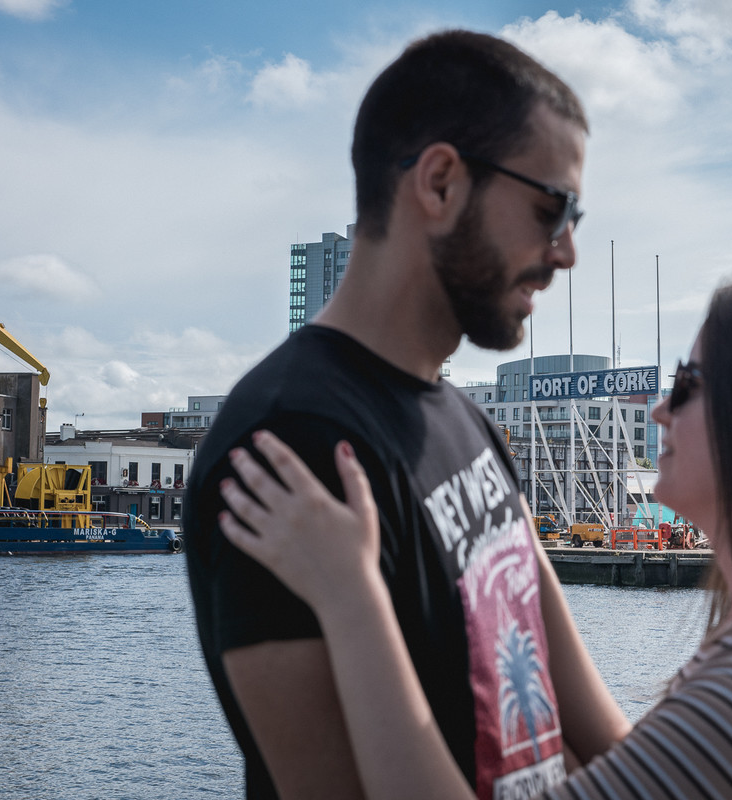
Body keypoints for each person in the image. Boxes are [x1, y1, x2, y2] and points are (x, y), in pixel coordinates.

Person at [217, 266, 732, 799]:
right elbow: (631, 763)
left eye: (689, 384)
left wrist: (353, 598)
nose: (661, 411)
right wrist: (513, 539)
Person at [184, 30, 631, 799]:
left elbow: (601, 742)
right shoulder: (285, 448)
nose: (565, 255)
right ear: (440, 183)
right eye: (550, 210)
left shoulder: (472, 425)